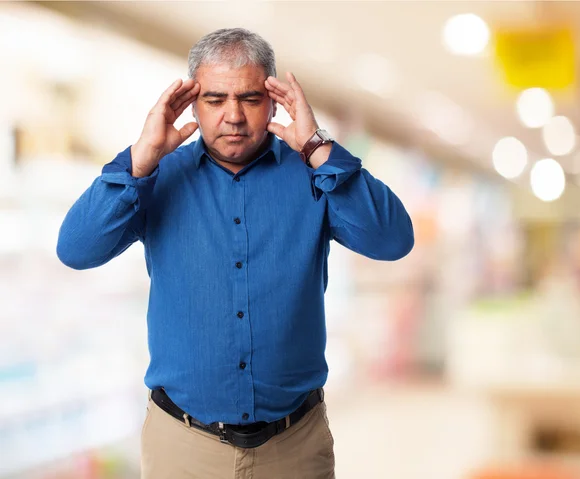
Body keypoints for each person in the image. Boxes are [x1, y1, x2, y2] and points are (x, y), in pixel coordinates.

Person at [57, 28, 414, 479]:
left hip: (295, 447)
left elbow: (393, 240)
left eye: (249, 98)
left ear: (273, 101)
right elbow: (76, 249)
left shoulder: (314, 176)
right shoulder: (156, 176)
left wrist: (318, 147)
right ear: (190, 104)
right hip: (182, 448)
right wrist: (140, 158)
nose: (233, 116)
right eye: (215, 99)